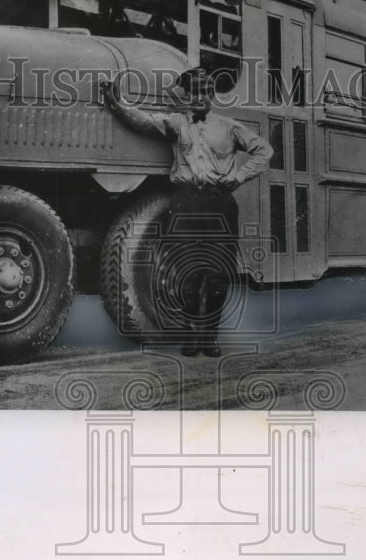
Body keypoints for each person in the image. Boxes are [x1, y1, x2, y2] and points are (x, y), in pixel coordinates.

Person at [101, 67, 273, 357]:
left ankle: (210, 337)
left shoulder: (229, 127)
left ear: (211, 96)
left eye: (204, 92)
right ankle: (192, 336)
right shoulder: (175, 123)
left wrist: (240, 176)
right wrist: (115, 100)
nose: (198, 96)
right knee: (187, 273)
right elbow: (141, 120)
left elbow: (264, 151)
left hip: (220, 204)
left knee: (218, 274)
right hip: (186, 202)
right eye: (192, 91)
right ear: (186, 96)